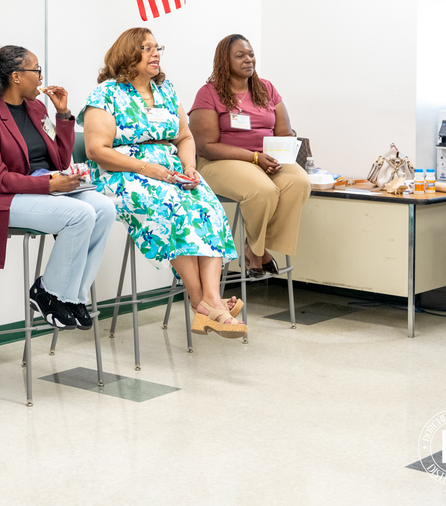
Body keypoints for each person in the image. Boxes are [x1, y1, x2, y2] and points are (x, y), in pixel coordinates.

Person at [80, 28, 244, 338]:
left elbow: (184, 136)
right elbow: (96, 151)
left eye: (158, 48)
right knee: (174, 207)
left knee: (206, 203)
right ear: (128, 54)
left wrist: (190, 166)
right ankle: (203, 303)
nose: (156, 54)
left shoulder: (165, 90)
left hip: (169, 170)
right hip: (122, 174)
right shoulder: (106, 94)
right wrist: (146, 168)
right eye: (147, 48)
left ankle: (210, 299)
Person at [0, 43, 117, 330]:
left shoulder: (36, 108)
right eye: (37, 70)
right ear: (17, 76)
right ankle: (47, 292)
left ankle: (71, 297)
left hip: (47, 187)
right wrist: (48, 183)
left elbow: (60, 158)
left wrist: (63, 116)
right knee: (80, 214)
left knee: (105, 208)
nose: (41, 77)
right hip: (5, 197)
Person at [188, 34, 310, 278]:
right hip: (221, 162)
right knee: (263, 191)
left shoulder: (266, 88)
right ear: (225, 61)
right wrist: (254, 158)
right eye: (240, 55)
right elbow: (205, 146)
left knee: (299, 182)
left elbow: (284, 132)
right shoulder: (208, 93)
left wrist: (280, 154)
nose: (248, 60)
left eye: (251, 54)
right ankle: (259, 253)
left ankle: (255, 248)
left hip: (265, 160)